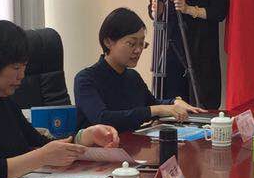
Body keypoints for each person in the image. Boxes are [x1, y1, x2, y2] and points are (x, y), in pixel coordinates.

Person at [0, 19, 119, 178]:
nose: (22, 76)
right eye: (16, 68)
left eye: (24, 67)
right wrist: (40, 157)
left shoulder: (4, 101)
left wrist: (85, 136)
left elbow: (39, 143)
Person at [74, 7, 207, 131]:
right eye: (131, 44)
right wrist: (157, 110)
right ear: (108, 42)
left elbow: (152, 103)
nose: (138, 50)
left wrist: (175, 102)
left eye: (141, 43)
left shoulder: (132, 77)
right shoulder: (86, 79)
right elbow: (102, 119)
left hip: (131, 146)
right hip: (98, 147)